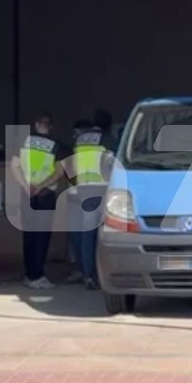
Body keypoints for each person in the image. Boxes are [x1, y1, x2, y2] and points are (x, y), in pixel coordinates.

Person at [10, 113, 65, 290]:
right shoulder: (56, 146)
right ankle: (37, 275)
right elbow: (58, 172)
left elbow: (14, 166)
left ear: (36, 125)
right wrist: (41, 186)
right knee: (42, 236)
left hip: (26, 193)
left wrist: (26, 186)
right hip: (45, 194)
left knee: (29, 234)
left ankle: (28, 274)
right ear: (51, 127)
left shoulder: (23, 143)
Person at [64, 111, 113, 290]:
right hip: (102, 187)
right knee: (106, 233)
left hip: (82, 189)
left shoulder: (79, 138)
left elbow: (67, 160)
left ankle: (86, 273)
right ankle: (99, 274)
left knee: (85, 233)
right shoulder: (109, 140)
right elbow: (113, 164)